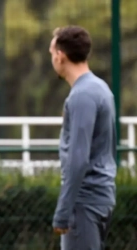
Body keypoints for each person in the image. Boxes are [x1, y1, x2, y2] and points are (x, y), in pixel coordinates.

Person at [49, 25, 117, 250]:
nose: (52, 58)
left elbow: (78, 158)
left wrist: (63, 211)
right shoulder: (100, 88)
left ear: (61, 55)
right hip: (101, 197)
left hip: (84, 201)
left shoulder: (82, 95)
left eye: (51, 53)